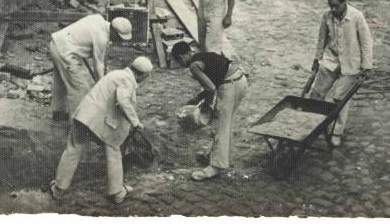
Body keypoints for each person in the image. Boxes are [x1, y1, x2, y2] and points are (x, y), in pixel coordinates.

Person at [49, 56, 153, 204]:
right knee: (113, 150)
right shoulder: (127, 81)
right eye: (147, 76)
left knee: (73, 149)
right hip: (98, 121)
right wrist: (135, 122)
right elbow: (123, 100)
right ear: (143, 74)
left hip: (84, 115)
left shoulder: (116, 74)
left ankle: (59, 189)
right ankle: (117, 193)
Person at [172, 41, 247, 181]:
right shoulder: (200, 54)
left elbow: (211, 88)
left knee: (220, 125)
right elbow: (212, 81)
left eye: (178, 62)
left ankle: (216, 167)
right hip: (240, 79)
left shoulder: (194, 66)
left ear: (181, 58)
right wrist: (199, 98)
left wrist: (206, 106)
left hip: (230, 86)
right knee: (225, 123)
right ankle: (213, 154)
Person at [309, 0, 374, 147]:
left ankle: (336, 132)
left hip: (351, 63)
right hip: (331, 60)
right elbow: (321, 38)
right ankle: (313, 124)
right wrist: (317, 59)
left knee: (340, 99)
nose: (333, 9)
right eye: (330, 5)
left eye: (336, 5)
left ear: (345, 2)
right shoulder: (327, 16)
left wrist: (367, 66)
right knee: (317, 93)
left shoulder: (356, 17)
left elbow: (366, 42)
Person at [49, 14, 133, 122]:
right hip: (65, 52)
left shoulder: (98, 18)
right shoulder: (101, 38)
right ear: (113, 31)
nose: (119, 40)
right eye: (119, 37)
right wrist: (104, 88)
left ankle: (59, 116)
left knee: (61, 81)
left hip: (56, 43)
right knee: (80, 89)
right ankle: (79, 124)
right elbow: (98, 67)